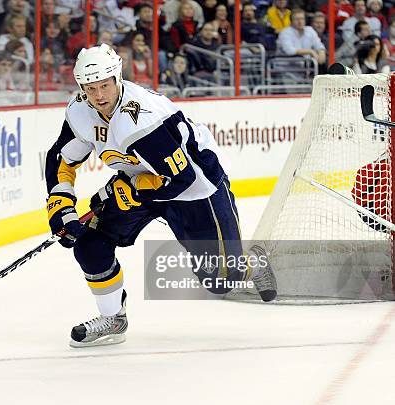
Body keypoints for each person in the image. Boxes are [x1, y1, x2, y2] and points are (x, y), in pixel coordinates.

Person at [44, 44, 277, 347]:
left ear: (117, 78)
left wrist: (132, 191)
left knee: (221, 280)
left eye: (104, 85)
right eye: (90, 88)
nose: (99, 95)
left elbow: (182, 178)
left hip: (197, 188)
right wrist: (60, 203)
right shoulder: (80, 110)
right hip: (139, 180)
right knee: (90, 244)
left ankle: (253, 263)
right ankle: (114, 318)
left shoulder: (142, 119)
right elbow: (61, 159)